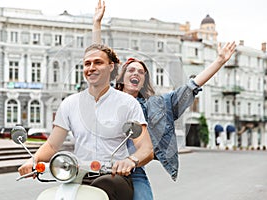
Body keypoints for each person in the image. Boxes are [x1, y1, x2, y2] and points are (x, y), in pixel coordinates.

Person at [92, 1, 236, 199]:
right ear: (121, 77)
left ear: (143, 80)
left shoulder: (156, 106)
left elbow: (190, 88)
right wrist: (97, 24)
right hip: (99, 166)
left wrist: (219, 61)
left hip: (134, 170)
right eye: (131, 70)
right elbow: (98, 61)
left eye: (141, 72)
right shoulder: (108, 97)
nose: (136, 73)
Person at [18, 43, 154, 200]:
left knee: (104, 184)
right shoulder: (70, 103)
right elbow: (52, 145)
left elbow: (146, 148)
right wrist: (32, 160)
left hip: (114, 176)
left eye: (98, 62)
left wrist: (131, 160)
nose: (91, 67)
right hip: (78, 176)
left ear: (111, 66)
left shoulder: (128, 103)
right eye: (87, 63)